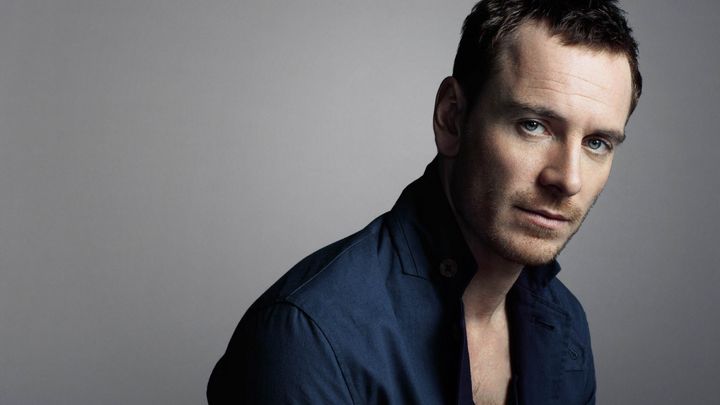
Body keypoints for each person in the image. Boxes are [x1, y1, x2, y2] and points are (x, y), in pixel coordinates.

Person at [208, 0, 642, 403]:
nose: (568, 179)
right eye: (533, 125)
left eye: (597, 143)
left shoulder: (564, 323)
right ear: (452, 118)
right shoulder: (308, 338)